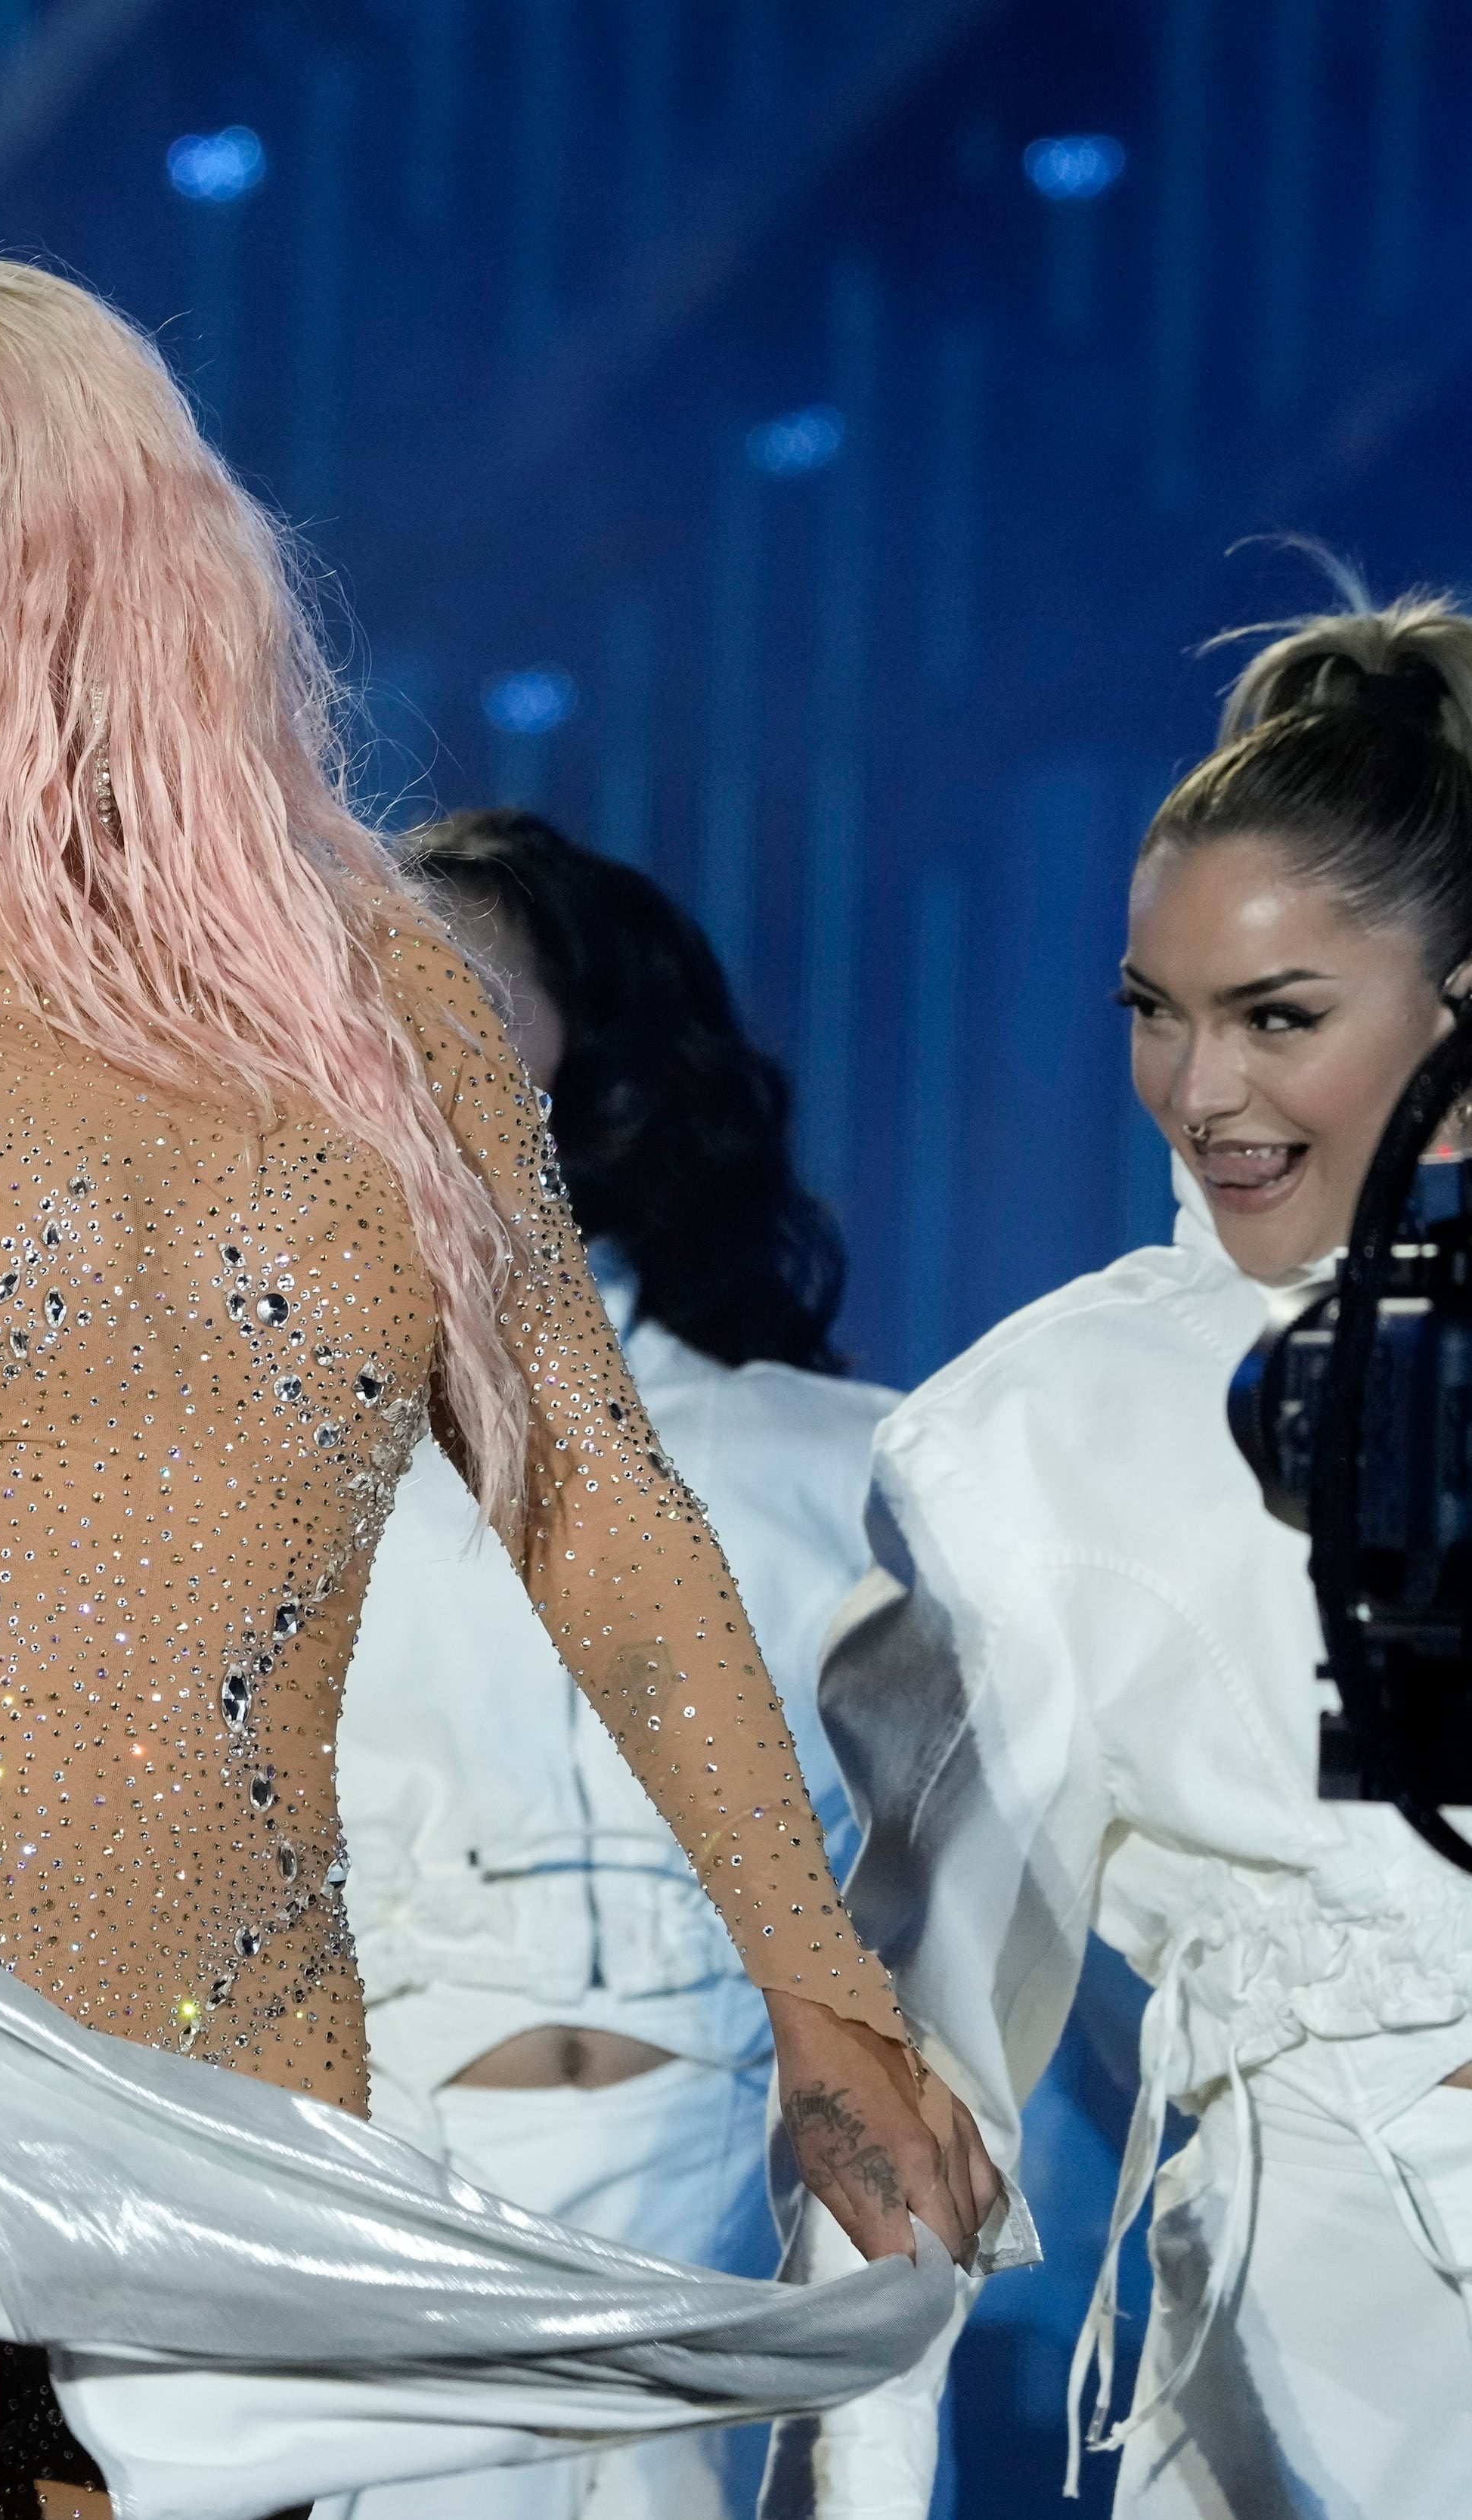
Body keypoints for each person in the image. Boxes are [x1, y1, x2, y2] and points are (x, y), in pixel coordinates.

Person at [0, 252, 998, 2520]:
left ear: (98, 555)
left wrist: (816, 1980)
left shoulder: (370, 985)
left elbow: (589, 1488)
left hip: (236, 2055)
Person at [764, 588, 1472, 2518]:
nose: (1201, 1089)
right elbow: (916, 2070)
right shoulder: (1048, 1432)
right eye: (1155, 1015)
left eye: (1279, 1016)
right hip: (1331, 2387)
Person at [328, 814, 895, 2520]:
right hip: (371, 2249)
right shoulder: (240, 1481)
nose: (391, 1046)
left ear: (613, 1077)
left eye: (458, 1007)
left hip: (724, 2255)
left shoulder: (852, 1469)